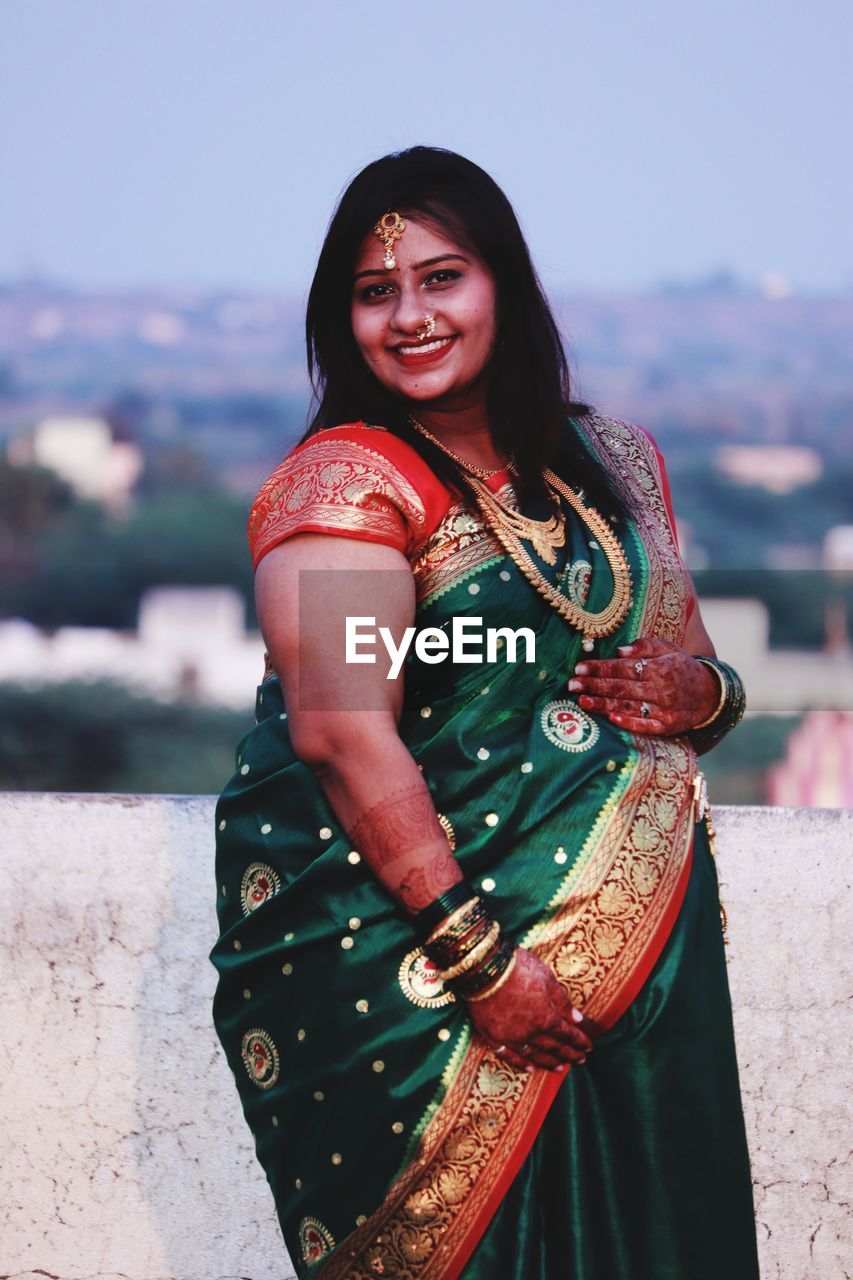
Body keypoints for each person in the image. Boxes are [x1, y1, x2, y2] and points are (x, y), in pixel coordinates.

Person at [210, 146, 758, 1279]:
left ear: (504, 285)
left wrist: (703, 692)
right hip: (439, 990)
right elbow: (342, 729)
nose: (408, 316)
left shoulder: (612, 465)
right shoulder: (350, 487)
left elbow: (695, 668)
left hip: (644, 988)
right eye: (374, 292)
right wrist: (484, 964)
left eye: (441, 278)